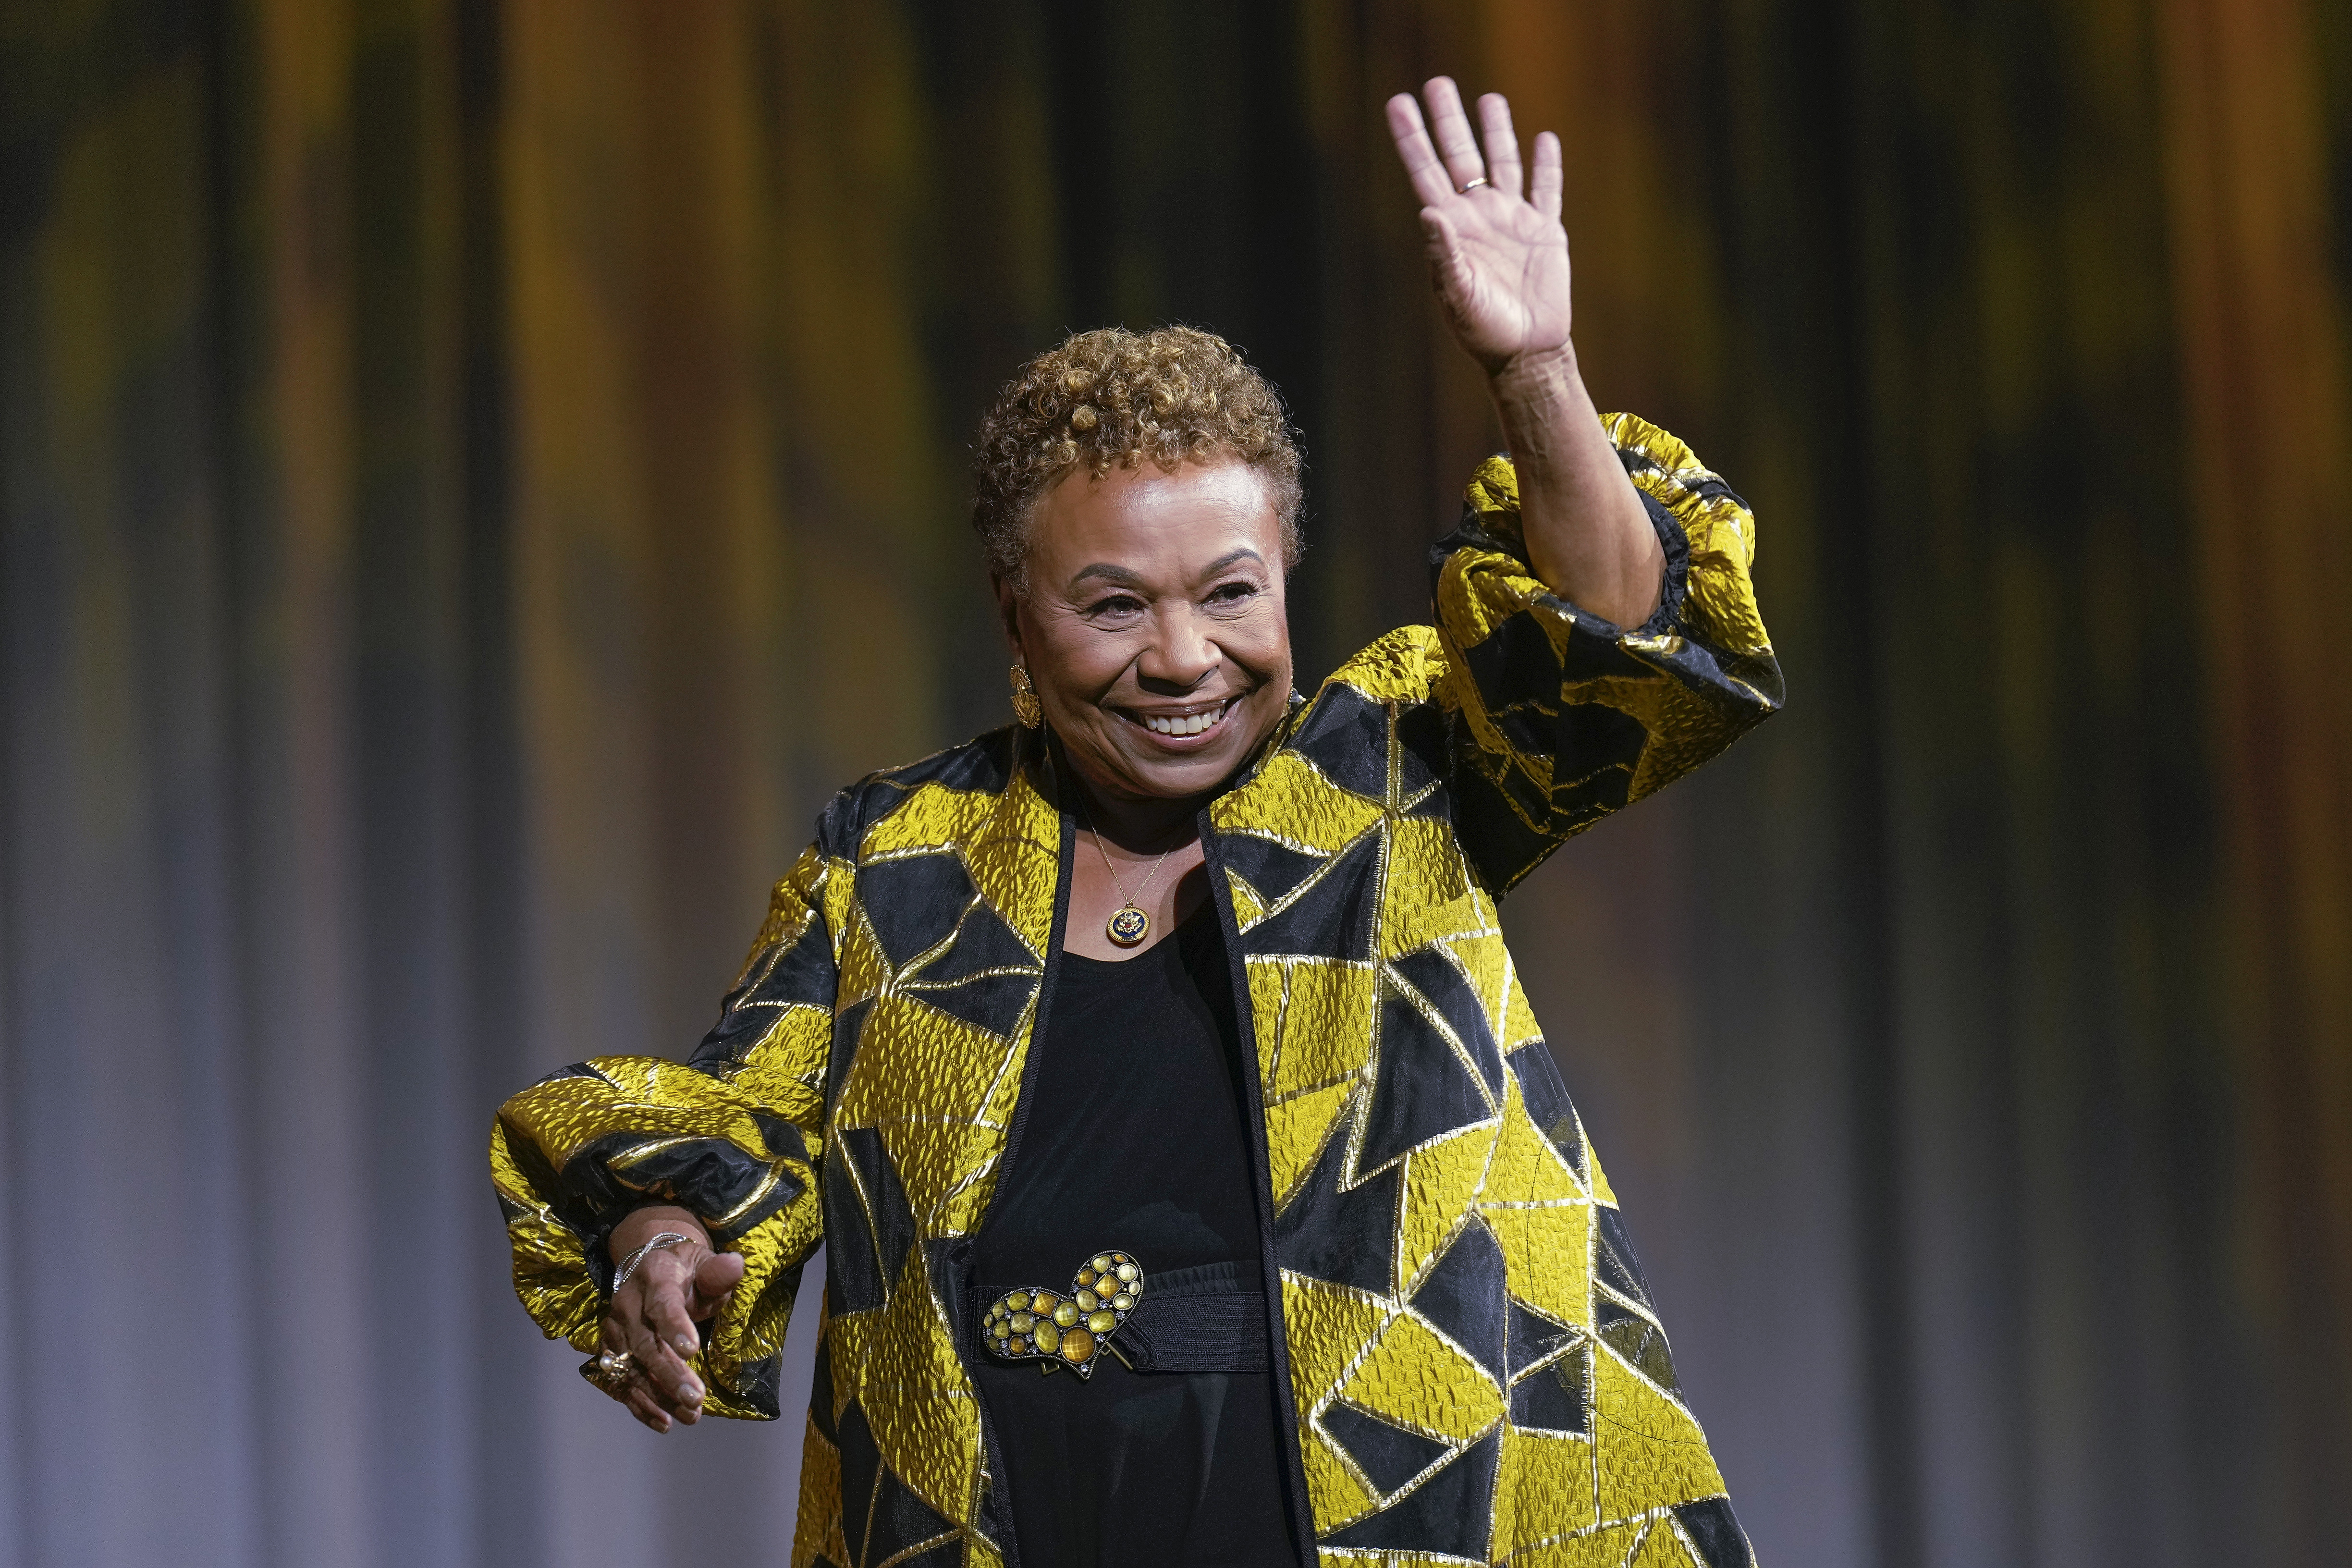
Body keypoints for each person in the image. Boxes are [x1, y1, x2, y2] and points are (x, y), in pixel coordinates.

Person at [491, 78, 1779, 1568]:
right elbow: (730, 1126)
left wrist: (1539, 370)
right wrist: (665, 1240)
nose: (1183, 656)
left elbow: (1617, 648)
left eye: (1231, 591)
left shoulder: (1393, 768)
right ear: (1017, 621)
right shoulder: (897, 861)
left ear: (1284, 578)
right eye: (1115, 605)